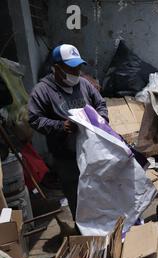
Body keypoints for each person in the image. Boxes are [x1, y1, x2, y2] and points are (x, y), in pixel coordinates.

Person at [28, 44, 109, 228]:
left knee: (98, 193)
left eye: (78, 67)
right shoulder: (43, 90)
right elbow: (34, 119)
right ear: (56, 68)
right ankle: (85, 235)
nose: (76, 72)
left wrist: (100, 119)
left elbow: (100, 103)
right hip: (66, 157)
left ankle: (104, 229)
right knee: (76, 197)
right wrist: (59, 126)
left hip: (91, 152)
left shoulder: (84, 83)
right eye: (71, 68)